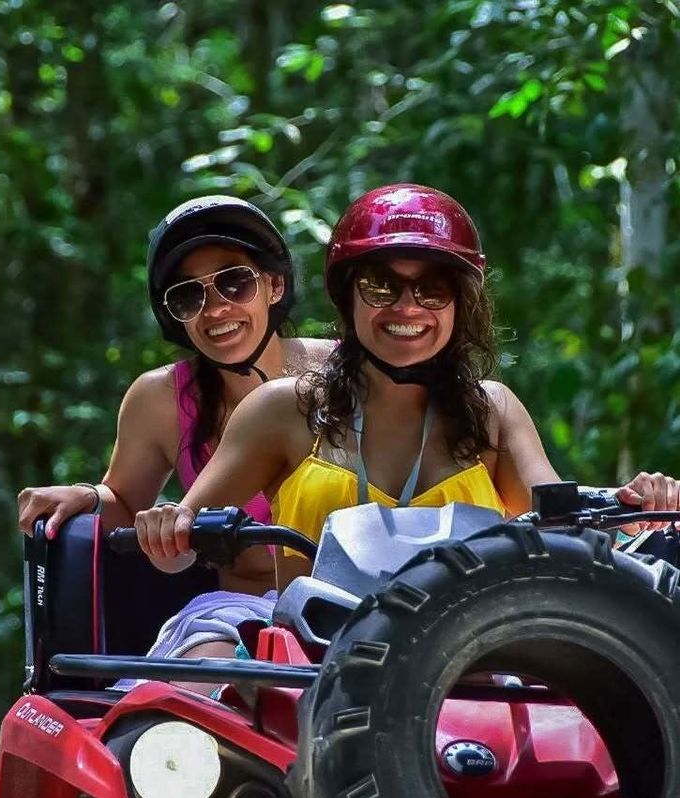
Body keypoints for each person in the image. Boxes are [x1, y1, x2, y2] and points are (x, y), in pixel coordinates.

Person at [136, 183, 680, 594]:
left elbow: (561, 526)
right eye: (381, 286)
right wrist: (168, 529)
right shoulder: (285, 407)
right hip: (308, 669)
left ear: (460, 304)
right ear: (348, 299)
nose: (407, 306)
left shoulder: (493, 410)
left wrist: (634, 508)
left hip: (474, 665)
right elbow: (178, 549)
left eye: (432, 288)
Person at [17, 195, 332, 690]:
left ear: (273, 285)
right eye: (189, 296)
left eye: (234, 281)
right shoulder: (161, 398)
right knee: (168, 717)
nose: (216, 309)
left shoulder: (344, 374)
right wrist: (90, 497)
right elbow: (125, 502)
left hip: (358, 610)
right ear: (174, 316)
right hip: (241, 615)